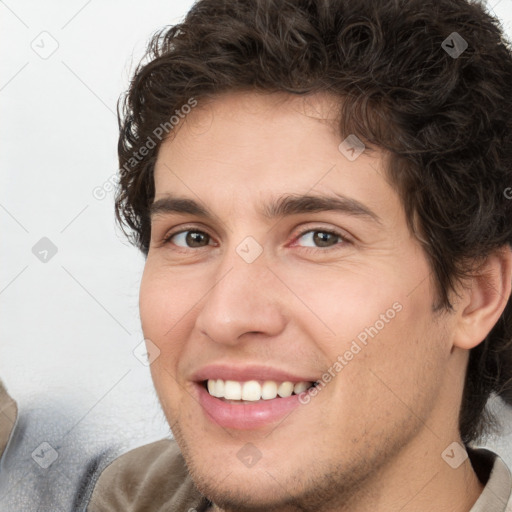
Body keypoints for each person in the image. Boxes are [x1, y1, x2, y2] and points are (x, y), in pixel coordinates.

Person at [88, 0, 512, 510]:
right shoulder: (127, 495)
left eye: (320, 238)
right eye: (192, 237)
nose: (226, 316)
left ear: (475, 297)